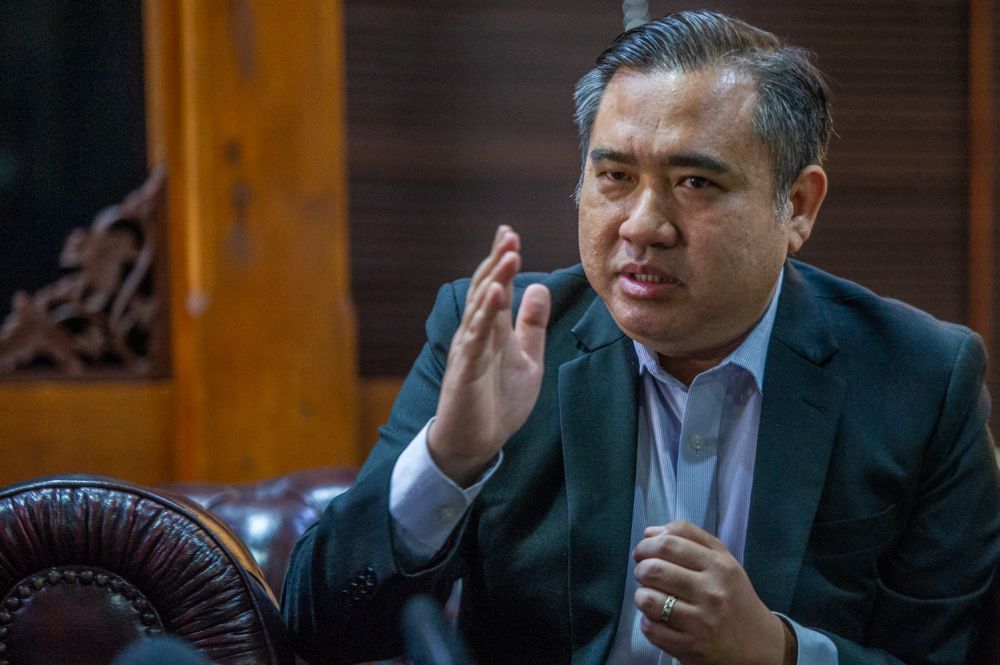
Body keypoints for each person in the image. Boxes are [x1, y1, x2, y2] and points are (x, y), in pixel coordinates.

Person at [282, 10, 1000, 665]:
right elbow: (317, 632)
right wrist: (449, 460)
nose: (642, 224)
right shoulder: (501, 337)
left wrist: (779, 651)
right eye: (616, 176)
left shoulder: (922, 379)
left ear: (799, 206)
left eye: (694, 182)